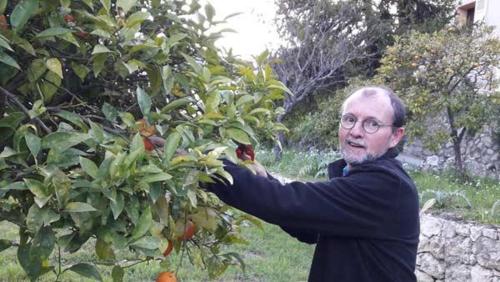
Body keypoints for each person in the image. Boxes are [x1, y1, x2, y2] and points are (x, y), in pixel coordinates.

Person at [205, 86, 420, 282]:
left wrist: (205, 166)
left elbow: (288, 203)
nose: (355, 131)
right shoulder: (356, 177)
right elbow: (310, 229)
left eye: (372, 124)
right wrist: (263, 177)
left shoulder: (387, 185)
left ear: (395, 136)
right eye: (349, 119)